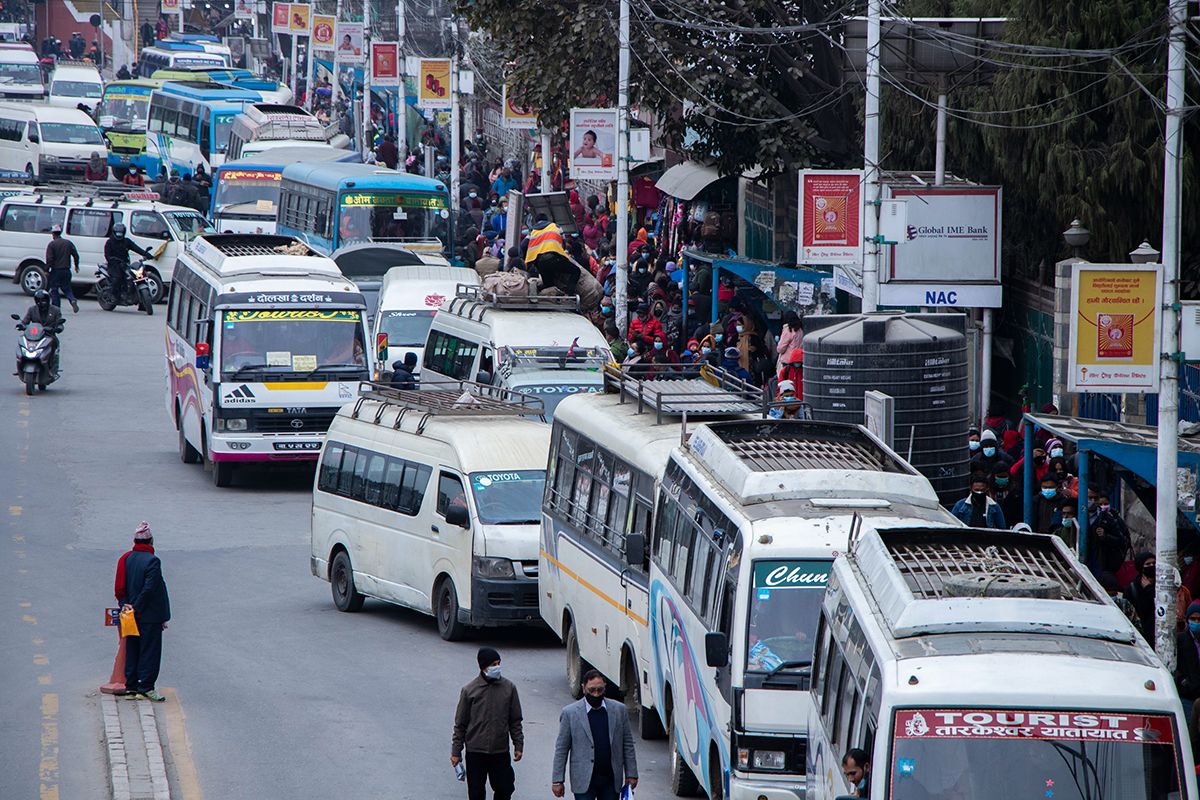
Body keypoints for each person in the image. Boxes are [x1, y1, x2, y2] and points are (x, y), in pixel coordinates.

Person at [551, 669, 638, 800]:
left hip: (611, 780)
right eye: (592, 690)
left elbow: (627, 744)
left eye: (600, 690)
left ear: (605, 688)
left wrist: (632, 773)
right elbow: (561, 749)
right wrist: (557, 780)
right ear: (583, 688)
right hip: (583, 781)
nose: (596, 694)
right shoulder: (570, 713)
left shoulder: (619, 710)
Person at [451, 646, 523, 800]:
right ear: (483, 667)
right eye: (494, 664)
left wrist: (518, 744)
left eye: (499, 663)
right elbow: (460, 724)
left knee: (505, 787)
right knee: (476, 793)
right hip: (476, 752)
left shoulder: (509, 688)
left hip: (500, 751)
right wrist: (456, 752)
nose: (497, 667)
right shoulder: (469, 691)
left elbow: (515, 720)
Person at [114, 522, 171, 702]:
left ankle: (131, 687)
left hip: (129, 614)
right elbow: (149, 589)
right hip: (149, 615)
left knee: (133, 648)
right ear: (151, 542)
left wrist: (126, 606)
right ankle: (146, 687)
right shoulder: (153, 561)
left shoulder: (127, 559)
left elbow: (120, 587)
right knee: (150, 651)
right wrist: (136, 606)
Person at [18, 289, 64, 373]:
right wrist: (21, 325)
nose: (41, 303)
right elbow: (25, 321)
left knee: (54, 347)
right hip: (34, 336)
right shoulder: (32, 310)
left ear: (48, 300)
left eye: (43, 300)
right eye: (38, 301)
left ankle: (52, 367)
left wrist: (58, 328)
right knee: (22, 343)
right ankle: (21, 365)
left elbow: (60, 323)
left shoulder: (55, 310)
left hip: (49, 336)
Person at [105, 223, 154, 300]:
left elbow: (137, 248)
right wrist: (113, 261)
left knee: (138, 276)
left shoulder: (126, 241)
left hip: (125, 265)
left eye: (120, 233)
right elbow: (107, 255)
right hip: (114, 266)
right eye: (117, 233)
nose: (119, 235)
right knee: (117, 279)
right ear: (114, 232)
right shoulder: (109, 242)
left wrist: (146, 254)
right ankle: (114, 295)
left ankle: (142, 303)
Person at [1175, 600, 1200, 751]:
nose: (1196, 622)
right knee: (1189, 737)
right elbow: (1173, 666)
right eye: (1193, 619)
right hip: (1187, 696)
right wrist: (1183, 681)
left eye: (1199, 619)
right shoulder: (1180, 640)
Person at [1123, 551, 1157, 646]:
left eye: (1154, 563)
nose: (1152, 566)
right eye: (1148, 564)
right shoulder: (1132, 589)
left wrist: (1149, 590)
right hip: (1139, 637)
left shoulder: (1161, 587)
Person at [44, 224, 80, 313]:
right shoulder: (68, 243)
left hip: (56, 271)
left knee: (54, 289)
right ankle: (72, 299)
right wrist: (76, 265)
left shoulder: (52, 244)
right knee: (67, 288)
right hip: (66, 270)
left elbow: (50, 259)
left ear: (53, 234)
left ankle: (56, 308)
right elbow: (76, 255)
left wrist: (46, 270)